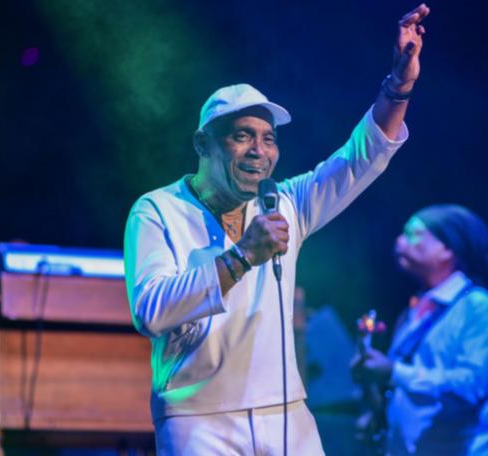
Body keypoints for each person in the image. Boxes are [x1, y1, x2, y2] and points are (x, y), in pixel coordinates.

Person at [123, 4, 430, 454]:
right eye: (242, 135)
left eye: (269, 139)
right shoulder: (157, 210)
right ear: (203, 143)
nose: (259, 151)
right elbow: (150, 311)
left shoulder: (283, 202)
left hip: (286, 411)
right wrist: (242, 256)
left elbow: (358, 158)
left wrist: (399, 85)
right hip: (198, 420)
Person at [352, 204, 488, 455]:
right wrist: (378, 413)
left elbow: (470, 387)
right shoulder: (412, 312)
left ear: (447, 250)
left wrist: (393, 371)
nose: (400, 241)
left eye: (414, 234)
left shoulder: (478, 307)